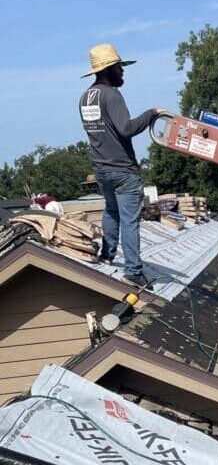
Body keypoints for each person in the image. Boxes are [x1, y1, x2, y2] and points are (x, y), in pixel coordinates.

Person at [79, 44, 165, 288]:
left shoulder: (86, 97)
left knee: (111, 211)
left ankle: (107, 255)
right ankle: (133, 270)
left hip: (101, 169)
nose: (123, 72)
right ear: (109, 69)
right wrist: (152, 113)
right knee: (129, 219)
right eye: (119, 67)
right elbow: (126, 129)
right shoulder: (111, 95)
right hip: (122, 169)